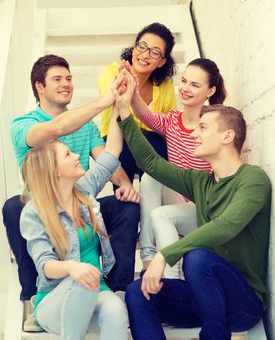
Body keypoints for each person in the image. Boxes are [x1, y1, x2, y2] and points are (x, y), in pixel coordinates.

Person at [112, 75, 271, 340]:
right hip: (204, 299)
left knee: (197, 258)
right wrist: (124, 110)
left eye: (203, 128)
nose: (194, 133)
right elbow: (150, 162)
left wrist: (163, 255)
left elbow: (226, 226)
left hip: (243, 302)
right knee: (137, 291)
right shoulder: (200, 182)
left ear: (227, 136)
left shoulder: (252, 179)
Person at [2, 54, 139, 331]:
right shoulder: (23, 124)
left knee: (126, 205)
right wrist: (106, 100)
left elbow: (108, 156)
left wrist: (125, 185)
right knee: (14, 206)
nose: (66, 84)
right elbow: (58, 128)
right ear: (39, 87)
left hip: (76, 196)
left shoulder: (86, 131)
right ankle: (31, 295)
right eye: (57, 79)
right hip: (41, 203)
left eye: (69, 78)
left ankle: (119, 288)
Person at [19, 108, 128, 340]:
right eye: (68, 155)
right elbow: (45, 264)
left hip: (95, 289)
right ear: (54, 171)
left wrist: (118, 108)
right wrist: (72, 268)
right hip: (54, 300)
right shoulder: (34, 213)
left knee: (116, 309)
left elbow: (111, 153)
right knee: (82, 282)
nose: (78, 156)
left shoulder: (84, 190)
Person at [121, 58, 226, 276]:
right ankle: (149, 259)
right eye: (184, 81)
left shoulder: (213, 125)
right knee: (150, 178)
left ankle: (170, 273)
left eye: (195, 85)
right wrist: (132, 87)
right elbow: (143, 113)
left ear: (210, 91)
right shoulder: (172, 121)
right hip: (177, 199)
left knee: (163, 213)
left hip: (202, 208)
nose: (185, 89)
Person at [97, 22, 177, 186]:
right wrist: (125, 84)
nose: (145, 55)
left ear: (162, 61)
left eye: (155, 52)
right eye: (142, 47)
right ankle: (126, 197)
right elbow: (112, 98)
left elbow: (169, 126)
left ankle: (150, 196)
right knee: (125, 142)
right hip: (118, 141)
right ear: (134, 48)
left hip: (151, 147)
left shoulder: (165, 85)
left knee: (155, 143)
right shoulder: (112, 71)